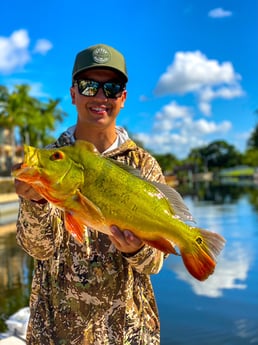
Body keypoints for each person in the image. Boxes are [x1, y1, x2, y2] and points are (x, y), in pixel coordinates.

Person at [15, 43, 167, 345]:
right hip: (56, 332)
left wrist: (136, 249)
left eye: (111, 88)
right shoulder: (50, 161)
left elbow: (154, 263)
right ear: (73, 93)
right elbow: (39, 249)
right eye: (89, 86)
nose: (100, 97)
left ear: (122, 98)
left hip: (128, 334)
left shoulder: (144, 166)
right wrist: (34, 202)